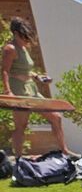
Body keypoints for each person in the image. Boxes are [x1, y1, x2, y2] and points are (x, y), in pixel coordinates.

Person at [2, 17, 75, 157]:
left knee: (56, 117)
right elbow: (5, 70)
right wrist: (8, 92)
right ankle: (18, 159)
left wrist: (38, 77)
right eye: (24, 35)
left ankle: (65, 151)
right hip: (19, 90)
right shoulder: (10, 48)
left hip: (32, 89)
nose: (27, 39)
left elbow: (27, 70)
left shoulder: (24, 48)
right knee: (21, 126)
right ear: (16, 33)